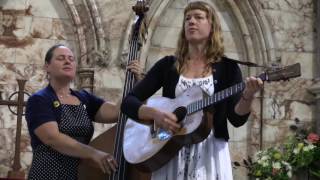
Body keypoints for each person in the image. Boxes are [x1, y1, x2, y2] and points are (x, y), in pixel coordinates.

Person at [121, 1, 263, 180]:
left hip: (209, 153)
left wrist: (248, 96)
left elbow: (236, 119)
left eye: (198, 17)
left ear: (212, 27)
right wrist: (154, 114)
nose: (191, 21)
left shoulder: (228, 68)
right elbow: (128, 102)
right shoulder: (168, 65)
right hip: (170, 147)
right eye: (187, 18)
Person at [25, 44, 143, 179]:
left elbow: (118, 112)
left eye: (71, 58)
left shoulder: (84, 98)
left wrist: (137, 83)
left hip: (80, 175)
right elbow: (52, 138)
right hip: (47, 175)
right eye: (61, 58)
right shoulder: (40, 100)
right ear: (47, 66)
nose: (67, 61)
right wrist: (94, 153)